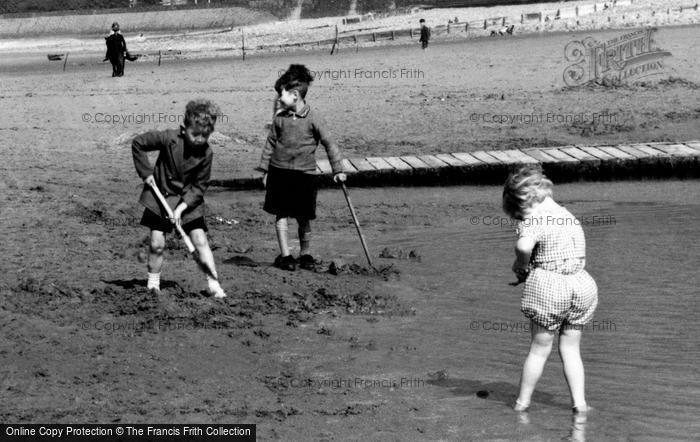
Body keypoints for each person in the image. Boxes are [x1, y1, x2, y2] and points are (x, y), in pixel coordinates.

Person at [502, 166, 597, 417]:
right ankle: (580, 405)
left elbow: (523, 246)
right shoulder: (567, 215)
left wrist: (522, 265)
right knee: (571, 349)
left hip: (551, 288)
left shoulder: (534, 219)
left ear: (523, 203)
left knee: (539, 348)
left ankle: (522, 405)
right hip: (581, 285)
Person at [132, 99, 227, 298]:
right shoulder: (168, 138)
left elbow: (199, 187)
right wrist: (146, 172)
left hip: (188, 201)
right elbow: (138, 143)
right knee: (157, 243)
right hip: (161, 196)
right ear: (184, 129)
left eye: (205, 135)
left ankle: (214, 285)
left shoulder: (207, 153)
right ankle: (153, 285)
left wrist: (180, 209)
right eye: (196, 134)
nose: (200, 139)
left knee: (200, 240)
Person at [257, 64, 346, 271]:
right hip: (279, 172)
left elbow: (330, 144)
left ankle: (305, 254)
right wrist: (264, 170)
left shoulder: (314, 118)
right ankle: (286, 255)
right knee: (280, 214)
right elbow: (269, 144)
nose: (279, 99)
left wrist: (338, 170)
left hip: (305, 175)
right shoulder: (279, 119)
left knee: (303, 216)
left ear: (295, 95)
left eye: (282, 95)